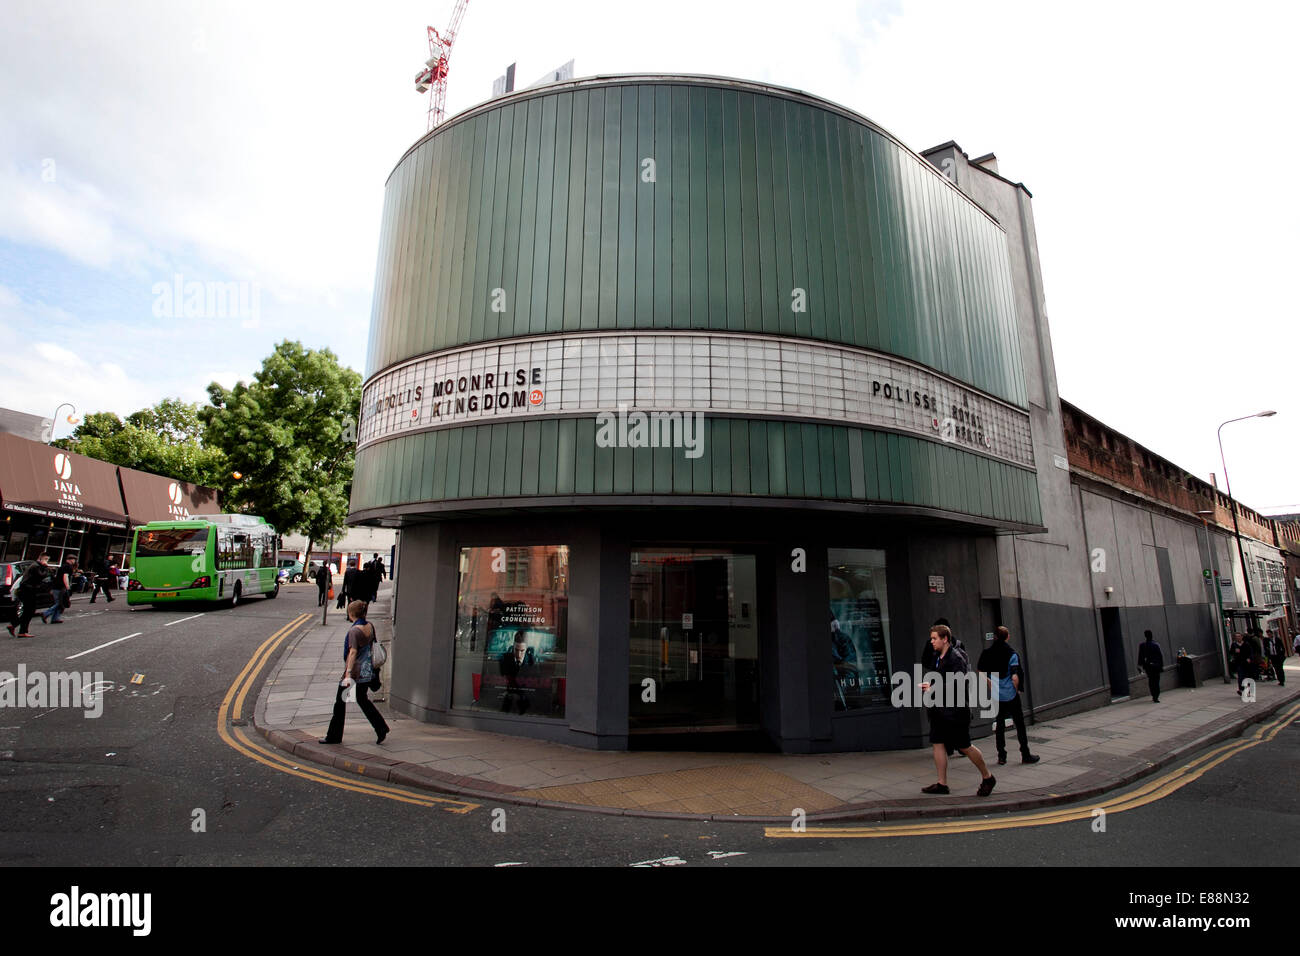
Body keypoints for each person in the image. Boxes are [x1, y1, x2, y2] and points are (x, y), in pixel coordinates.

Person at [920, 624, 997, 797]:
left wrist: (935, 688)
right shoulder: (937, 657)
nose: (931, 642)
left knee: (964, 746)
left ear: (945, 639)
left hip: (956, 711)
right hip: (939, 710)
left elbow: (960, 682)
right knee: (938, 742)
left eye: (934, 638)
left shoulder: (956, 657)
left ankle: (988, 777)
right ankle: (942, 784)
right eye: (931, 638)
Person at [319, 600, 390, 745]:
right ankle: (381, 727)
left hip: (355, 673)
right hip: (367, 672)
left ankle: (334, 736)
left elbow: (352, 652)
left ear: (351, 614)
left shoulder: (354, 631)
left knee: (340, 703)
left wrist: (347, 674)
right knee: (362, 700)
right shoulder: (369, 626)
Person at [977, 625, 1040, 765]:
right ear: (1007, 637)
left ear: (995, 637)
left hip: (996, 694)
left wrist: (989, 683)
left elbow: (980, 670)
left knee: (999, 725)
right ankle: (1025, 753)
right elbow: (1015, 676)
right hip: (1011, 694)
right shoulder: (1012, 654)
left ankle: (1001, 756)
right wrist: (1017, 689)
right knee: (1019, 724)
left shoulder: (987, 653)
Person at [8, 556, 52, 638]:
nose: (47, 561)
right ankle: (20, 629)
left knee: (28, 611)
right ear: (40, 559)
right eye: (45, 559)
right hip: (28, 591)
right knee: (29, 611)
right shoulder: (36, 566)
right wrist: (46, 568)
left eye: (47, 560)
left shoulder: (35, 566)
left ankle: (17, 627)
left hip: (27, 590)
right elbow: (41, 575)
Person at [498, 630, 537, 714]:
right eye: (516, 650)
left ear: (527, 649)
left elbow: (535, 685)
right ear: (513, 647)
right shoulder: (504, 659)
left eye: (522, 651)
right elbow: (501, 679)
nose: (519, 655)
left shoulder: (532, 661)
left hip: (525, 699)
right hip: (508, 698)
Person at [40, 555, 75, 625]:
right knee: (60, 602)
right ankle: (45, 613)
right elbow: (65, 576)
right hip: (61, 587)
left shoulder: (62, 566)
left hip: (56, 586)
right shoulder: (67, 567)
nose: (74, 561)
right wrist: (67, 586)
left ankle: (55, 618)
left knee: (60, 603)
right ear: (70, 560)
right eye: (74, 559)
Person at [1137, 630, 1164, 703]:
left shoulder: (1142, 645)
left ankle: (1153, 694)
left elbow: (1141, 656)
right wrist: (1161, 666)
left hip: (1148, 666)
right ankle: (1156, 696)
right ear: (1152, 635)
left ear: (1145, 636)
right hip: (1156, 666)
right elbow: (1160, 656)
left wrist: (1139, 665)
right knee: (1156, 681)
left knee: (1151, 680)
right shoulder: (1156, 645)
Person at [1229, 631, 1256, 696]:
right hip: (1239, 662)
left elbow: (1250, 652)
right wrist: (1234, 652)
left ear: (1242, 637)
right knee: (1240, 676)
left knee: (1247, 676)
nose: (1238, 638)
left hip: (1246, 662)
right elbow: (1231, 652)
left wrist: (1249, 658)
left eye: (1239, 636)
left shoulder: (1246, 644)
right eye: (1236, 637)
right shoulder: (1234, 645)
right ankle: (1241, 689)